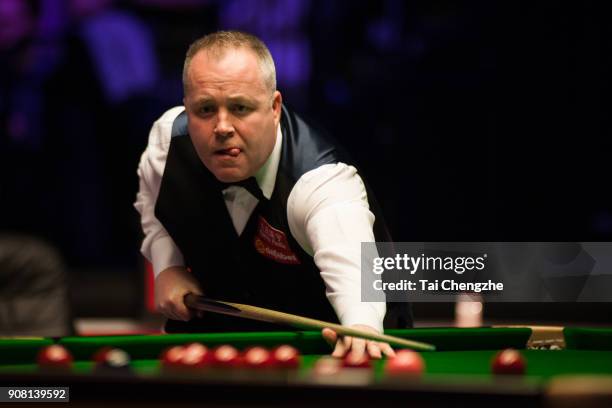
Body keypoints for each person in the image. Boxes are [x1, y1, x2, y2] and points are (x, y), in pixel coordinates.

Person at [134, 30, 411, 358]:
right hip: (216, 335)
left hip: (325, 345)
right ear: (186, 108)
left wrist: (361, 324)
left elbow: (350, 262)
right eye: (205, 109)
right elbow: (154, 204)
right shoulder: (168, 143)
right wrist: (167, 266)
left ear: (275, 107)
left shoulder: (320, 181)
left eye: (240, 107)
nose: (222, 127)